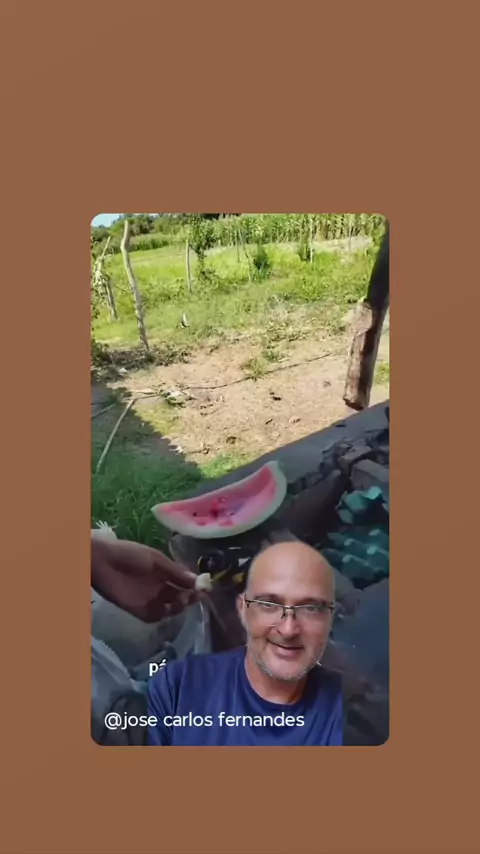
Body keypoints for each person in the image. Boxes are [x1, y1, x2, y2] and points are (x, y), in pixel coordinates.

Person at [147, 540, 343, 745]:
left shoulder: (341, 709)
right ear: (242, 608)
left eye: (310, 608)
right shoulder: (179, 688)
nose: (288, 629)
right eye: (269, 604)